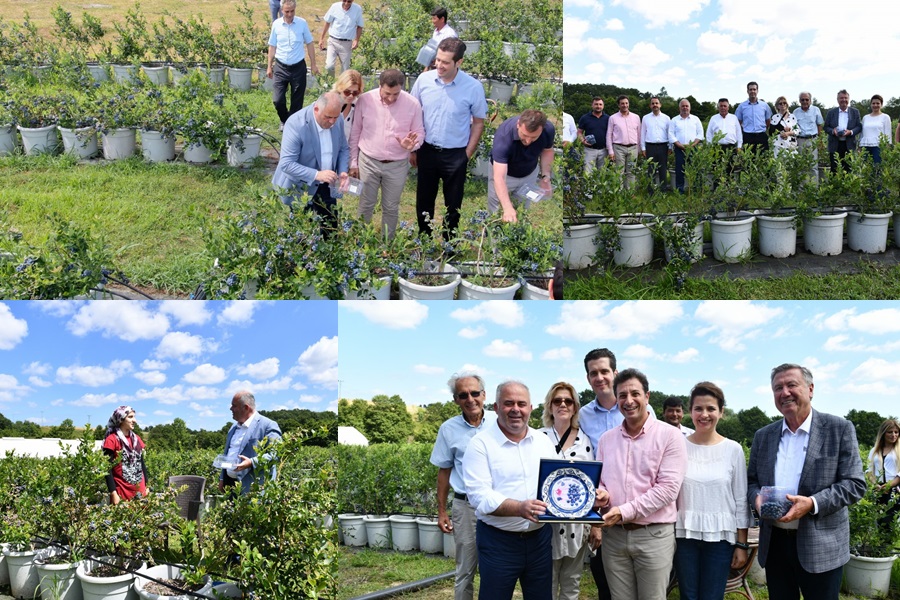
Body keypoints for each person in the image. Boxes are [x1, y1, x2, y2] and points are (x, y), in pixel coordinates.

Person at [747, 363, 866, 600]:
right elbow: (752, 482)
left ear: (810, 389)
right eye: (778, 388)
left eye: (792, 385)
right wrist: (757, 499)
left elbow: (855, 484)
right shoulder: (764, 436)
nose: (784, 392)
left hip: (821, 545)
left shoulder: (838, 428)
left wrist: (812, 503)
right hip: (776, 544)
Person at [595, 368, 687, 600]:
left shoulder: (670, 436)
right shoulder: (607, 439)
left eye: (635, 394)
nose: (629, 400)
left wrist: (623, 511)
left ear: (647, 396)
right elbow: (602, 482)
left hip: (653, 536)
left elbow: (667, 490)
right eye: (622, 395)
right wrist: (602, 495)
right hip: (613, 537)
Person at [462, 380, 557, 600]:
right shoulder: (480, 445)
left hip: (539, 540)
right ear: (495, 408)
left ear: (530, 409)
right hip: (498, 542)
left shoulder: (544, 443)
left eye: (522, 404)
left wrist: (591, 498)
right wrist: (519, 508)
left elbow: (558, 483)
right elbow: (479, 497)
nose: (516, 409)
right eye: (508, 403)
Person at [674, 382, 751, 600]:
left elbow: (740, 500)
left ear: (721, 412)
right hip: (684, 535)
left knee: (712, 596)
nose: (704, 414)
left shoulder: (733, 449)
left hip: (721, 539)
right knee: (688, 596)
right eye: (698, 408)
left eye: (711, 409)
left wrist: (741, 544)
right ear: (690, 411)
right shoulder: (678, 446)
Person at [429, 373, 497, 600]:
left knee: (496, 569)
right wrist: (441, 511)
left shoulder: (501, 422)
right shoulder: (448, 429)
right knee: (465, 569)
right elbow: (444, 471)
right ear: (455, 400)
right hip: (466, 507)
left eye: (475, 393)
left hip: (499, 506)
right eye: (463, 395)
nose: (470, 399)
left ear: (484, 395)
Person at [411, 37, 487, 238]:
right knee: (424, 200)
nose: (439, 65)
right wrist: (413, 148)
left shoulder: (473, 87)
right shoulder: (424, 80)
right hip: (426, 150)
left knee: (453, 203)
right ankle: (424, 239)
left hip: (455, 154)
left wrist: (467, 154)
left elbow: (479, 122)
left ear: (459, 62)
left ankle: (449, 243)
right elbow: (413, 112)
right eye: (437, 60)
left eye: (445, 62)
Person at [349, 68, 424, 238]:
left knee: (391, 206)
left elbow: (419, 132)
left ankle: (387, 244)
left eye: (396, 94)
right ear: (380, 86)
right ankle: (361, 240)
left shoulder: (412, 104)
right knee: (366, 203)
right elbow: (355, 132)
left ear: (402, 88)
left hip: (397, 165)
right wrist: (353, 162)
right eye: (387, 93)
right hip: (368, 161)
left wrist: (411, 145)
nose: (391, 98)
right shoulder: (365, 100)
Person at [539, 382, 592, 600]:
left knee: (572, 583)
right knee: (546, 582)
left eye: (568, 401)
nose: (563, 404)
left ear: (575, 407)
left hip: (576, 524)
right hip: (546, 525)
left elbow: (593, 482)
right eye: (557, 400)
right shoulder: (537, 437)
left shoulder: (585, 441)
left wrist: (594, 526)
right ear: (549, 406)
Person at [271, 92, 350, 229]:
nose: (332, 122)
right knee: (302, 232)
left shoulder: (338, 120)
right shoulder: (296, 124)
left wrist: (342, 171)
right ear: (316, 109)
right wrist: (317, 175)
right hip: (301, 186)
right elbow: (287, 164)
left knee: (330, 229)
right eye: (328, 117)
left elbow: (343, 148)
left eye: (335, 117)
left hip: (327, 183)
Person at [579, 348, 621, 600]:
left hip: (631, 503)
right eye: (593, 373)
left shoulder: (639, 409)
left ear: (615, 373)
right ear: (588, 378)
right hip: (599, 504)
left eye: (604, 371)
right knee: (603, 576)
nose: (600, 377)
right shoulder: (582, 415)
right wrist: (594, 521)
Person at [488, 109, 555, 223]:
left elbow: (548, 151)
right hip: (505, 174)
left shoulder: (548, 129)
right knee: (499, 210)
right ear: (518, 124)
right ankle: (495, 238)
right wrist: (507, 207)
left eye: (533, 137)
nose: (528, 141)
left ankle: (518, 236)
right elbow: (499, 177)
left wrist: (545, 177)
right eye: (524, 135)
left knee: (522, 209)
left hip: (529, 172)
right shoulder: (504, 136)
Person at [267, 0, 319, 131]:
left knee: (297, 100)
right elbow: (272, 46)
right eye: (286, 11)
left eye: (292, 11)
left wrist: (313, 64)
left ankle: (292, 125)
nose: (289, 14)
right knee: (278, 100)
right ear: (281, 10)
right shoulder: (276, 24)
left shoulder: (302, 23)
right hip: (280, 67)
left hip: (298, 67)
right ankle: (285, 120)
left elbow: (310, 43)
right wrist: (269, 65)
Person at [219, 391, 283, 495]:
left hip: (252, 488)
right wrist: (222, 478)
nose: (231, 409)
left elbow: (276, 454)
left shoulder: (268, 426)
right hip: (230, 485)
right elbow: (228, 453)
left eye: (234, 406)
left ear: (246, 408)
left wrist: (252, 462)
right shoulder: (233, 427)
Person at [103, 405, 148, 505]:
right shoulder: (112, 440)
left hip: (140, 491)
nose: (134, 420)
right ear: (121, 420)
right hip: (122, 492)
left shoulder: (136, 439)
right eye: (130, 417)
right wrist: (113, 493)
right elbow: (107, 469)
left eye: (134, 417)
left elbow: (141, 463)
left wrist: (147, 486)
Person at [866, 419, 900, 527]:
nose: (893, 435)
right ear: (883, 433)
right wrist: (875, 484)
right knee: (879, 524)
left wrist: (890, 485)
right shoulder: (874, 451)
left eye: (896, 432)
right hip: (879, 491)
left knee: (891, 523)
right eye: (890, 432)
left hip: (895, 490)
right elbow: (869, 471)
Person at [318, 0, 364, 76]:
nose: (346, 3)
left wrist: (356, 40)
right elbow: (327, 22)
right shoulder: (334, 7)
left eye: (349, 1)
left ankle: (342, 86)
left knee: (345, 70)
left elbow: (360, 26)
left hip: (346, 43)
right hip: (333, 41)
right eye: (344, 1)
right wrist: (321, 38)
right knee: (329, 66)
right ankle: (330, 84)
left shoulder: (357, 9)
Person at [669, 98, 704, 193]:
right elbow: (671, 135)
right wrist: (679, 145)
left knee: (695, 168)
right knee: (679, 169)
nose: (685, 108)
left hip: (693, 148)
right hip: (679, 148)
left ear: (690, 107)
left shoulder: (695, 119)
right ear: (679, 108)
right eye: (683, 106)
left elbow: (700, 134)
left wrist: (693, 145)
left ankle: (696, 189)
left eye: (686, 106)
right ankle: (680, 190)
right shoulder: (674, 120)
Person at [606, 95, 641, 189]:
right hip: (618, 148)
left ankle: (630, 192)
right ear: (619, 105)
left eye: (626, 103)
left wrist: (639, 149)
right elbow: (609, 135)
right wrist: (610, 151)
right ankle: (619, 191)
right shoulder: (613, 118)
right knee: (619, 171)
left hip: (633, 147)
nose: (625, 105)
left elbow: (639, 134)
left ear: (628, 104)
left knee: (632, 171)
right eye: (622, 103)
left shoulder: (636, 117)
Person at [824, 89, 861, 173]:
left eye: (845, 98)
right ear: (837, 100)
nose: (843, 100)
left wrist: (850, 132)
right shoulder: (831, 112)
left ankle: (847, 186)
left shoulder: (855, 112)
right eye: (841, 98)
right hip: (835, 145)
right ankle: (836, 186)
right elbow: (826, 127)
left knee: (849, 169)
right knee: (835, 169)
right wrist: (833, 131)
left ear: (848, 99)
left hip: (849, 145)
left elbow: (859, 126)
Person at [640, 96, 671, 190]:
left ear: (660, 105)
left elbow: (669, 133)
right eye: (653, 103)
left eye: (656, 103)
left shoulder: (667, 118)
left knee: (663, 169)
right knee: (651, 170)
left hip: (663, 146)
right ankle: (651, 191)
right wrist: (643, 148)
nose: (655, 105)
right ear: (650, 105)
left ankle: (663, 190)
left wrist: (670, 146)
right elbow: (642, 133)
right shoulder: (645, 118)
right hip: (650, 147)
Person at [792, 92, 824, 183]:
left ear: (810, 100)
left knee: (813, 165)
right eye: (802, 100)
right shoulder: (796, 112)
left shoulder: (816, 110)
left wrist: (820, 140)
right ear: (799, 101)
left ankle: (814, 187)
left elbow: (819, 125)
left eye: (807, 99)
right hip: (800, 140)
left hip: (812, 139)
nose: (805, 101)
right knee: (801, 164)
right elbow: (794, 126)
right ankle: (802, 188)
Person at [735, 81, 772, 152]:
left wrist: (762, 129)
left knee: (763, 159)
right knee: (748, 160)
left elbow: (768, 121)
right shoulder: (742, 106)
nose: (752, 91)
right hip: (747, 137)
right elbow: (738, 123)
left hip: (761, 136)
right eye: (750, 89)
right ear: (747, 91)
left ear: (757, 91)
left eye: (754, 89)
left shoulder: (764, 105)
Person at [330, 69, 364, 143]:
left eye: (355, 93)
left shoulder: (357, 105)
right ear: (340, 88)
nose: (351, 96)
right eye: (347, 92)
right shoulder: (328, 103)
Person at [859, 94, 892, 165]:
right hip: (865, 146)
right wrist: (859, 147)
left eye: (878, 103)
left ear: (881, 105)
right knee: (865, 167)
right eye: (873, 103)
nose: (875, 105)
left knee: (877, 168)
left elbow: (888, 134)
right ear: (870, 104)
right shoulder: (865, 117)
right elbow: (862, 133)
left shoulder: (885, 117)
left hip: (878, 146)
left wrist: (887, 148)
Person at [578, 97, 609, 172]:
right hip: (589, 150)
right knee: (587, 173)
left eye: (600, 104)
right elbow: (579, 132)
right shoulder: (585, 118)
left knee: (602, 174)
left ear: (603, 106)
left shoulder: (608, 118)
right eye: (596, 104)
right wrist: (582, 141)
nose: (598, 106)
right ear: (592, 105)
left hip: (604, 150)